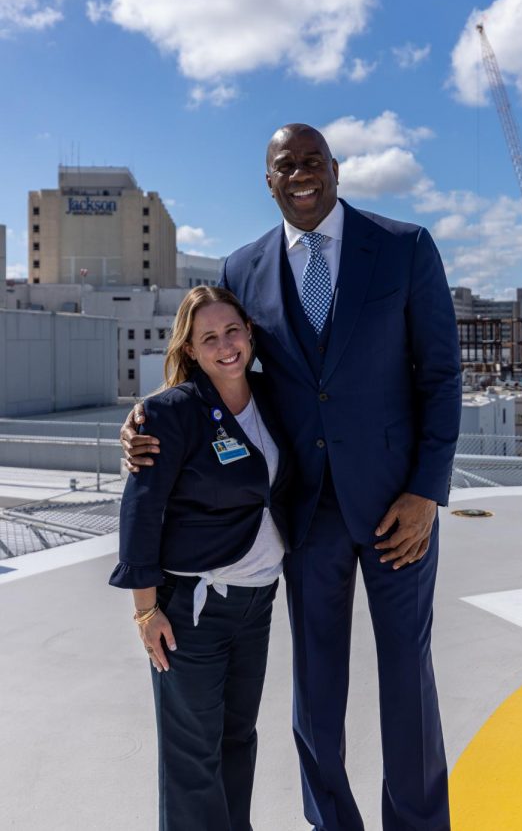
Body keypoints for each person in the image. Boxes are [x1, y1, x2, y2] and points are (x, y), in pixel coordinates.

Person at [122, 123, 462, 831]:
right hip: (303, 511)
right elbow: (223, 375)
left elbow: (440, 376)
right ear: (268, 180)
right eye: (286, 166)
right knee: (317, 681)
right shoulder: (243, 267)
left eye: (313, 162)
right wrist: (146, 420)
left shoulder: (404, 248)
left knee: (407, 674)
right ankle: (331, 820)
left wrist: (428, 491)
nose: (301, 175)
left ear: (335, 169)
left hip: (400, 505)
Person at [110, 285, 292, 831]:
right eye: (208, 337)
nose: (225, 345)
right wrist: (146, 611)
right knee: (192, 756)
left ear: (250, 334)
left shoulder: (275, 397)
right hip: (192, 609)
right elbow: (140, 513)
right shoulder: (169, 414)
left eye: (232, 331)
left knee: (238, 738)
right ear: (190, 349)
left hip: (257, 602)